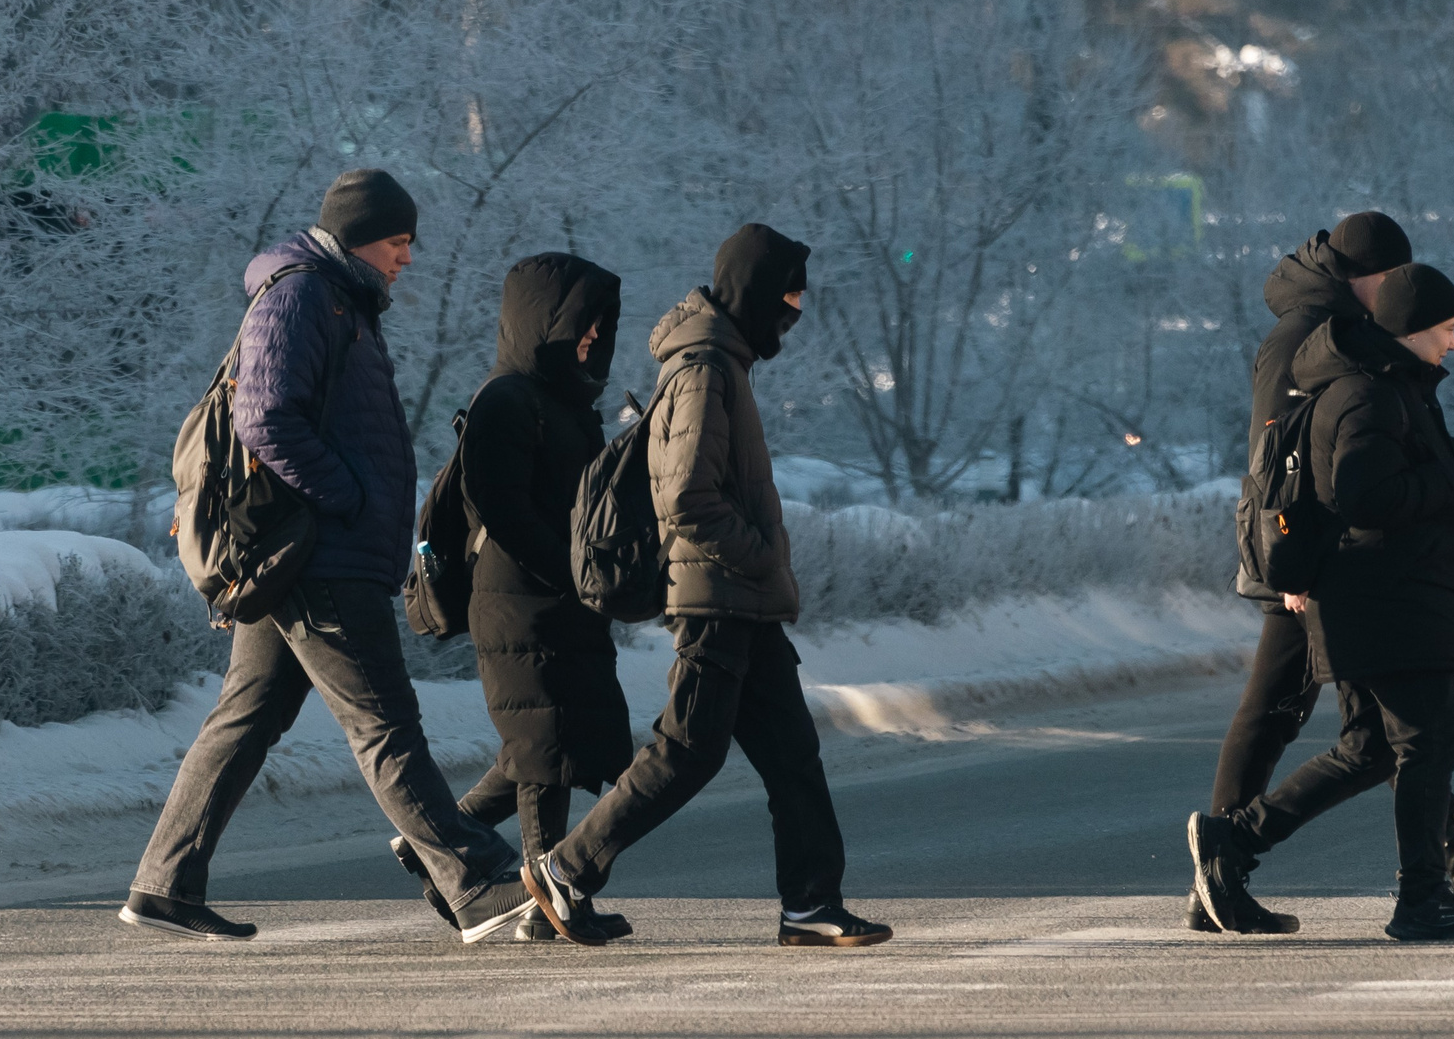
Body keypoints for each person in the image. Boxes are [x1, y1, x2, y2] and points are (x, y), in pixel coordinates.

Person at [124, 169, 537, 943]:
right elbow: (265, 418)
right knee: (385, 723)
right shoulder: (303, 294)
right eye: (397, 241)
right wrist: (343, 497)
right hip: (317, 554)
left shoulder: (337, 298)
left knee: (246, 716)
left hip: (311, 551)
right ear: (356, 235)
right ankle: (474, 880)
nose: (406, 257)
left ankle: (164, 882)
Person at [523, 224, 891, 948]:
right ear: (752, 292)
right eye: (786, 295)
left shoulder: (727, 362)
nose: (795, 311)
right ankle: (567, 868)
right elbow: (686, 496)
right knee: (687, 748)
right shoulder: (703, 368)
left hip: (742, 598)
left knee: (792, 754)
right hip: (716, 596)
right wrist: (757, 554)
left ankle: (811, 904)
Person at [1196, 213, 1454, 935]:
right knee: (1312, 716)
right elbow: (1303, 464)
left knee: (1377, 740)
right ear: (1366, 279)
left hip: (1351, 568)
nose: (1453, 337)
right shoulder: (1317, 343)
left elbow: (1399, 444)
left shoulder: (1373, 353)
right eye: (1394, 278)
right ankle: (1229, 855)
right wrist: (1288, 565)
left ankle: (1238, 851)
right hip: (1330, 566)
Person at [438, 253, 634, 945]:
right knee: (543, 745)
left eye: (599, 328)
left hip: (565, 593)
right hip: (518, 594)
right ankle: (554, 901)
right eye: (582, 324)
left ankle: (436, 840)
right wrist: (568, 566)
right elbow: (499, 503)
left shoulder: (571, 403)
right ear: (544, 321)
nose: (591, 339)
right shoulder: (506, 399)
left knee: (562, 737)